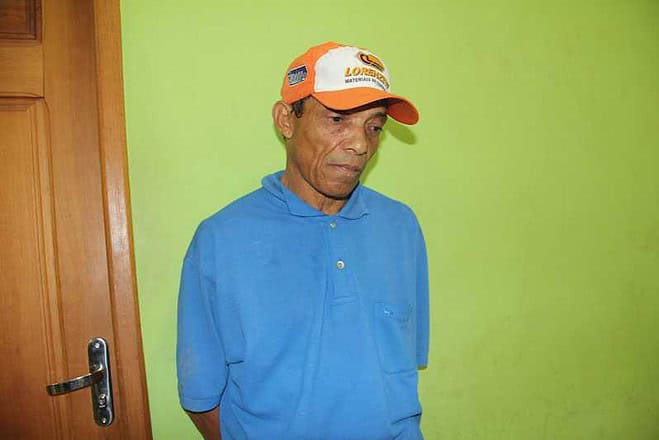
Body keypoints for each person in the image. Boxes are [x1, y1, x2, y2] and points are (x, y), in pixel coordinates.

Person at [177, 41, 429, 440]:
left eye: (374, 126)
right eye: (337, 119)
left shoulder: (400, 226)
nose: (360, 144)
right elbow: (201, 395)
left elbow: (401, 362)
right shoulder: (221, 240)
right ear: (286, 120)